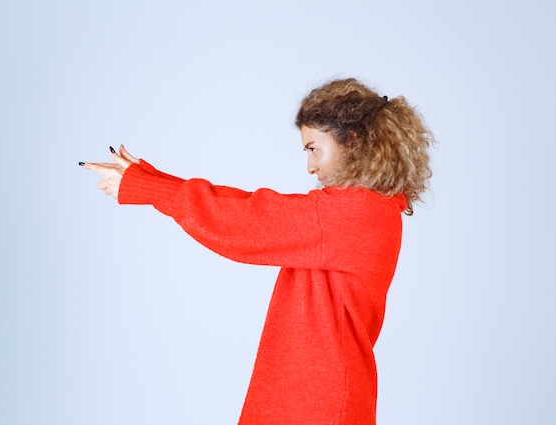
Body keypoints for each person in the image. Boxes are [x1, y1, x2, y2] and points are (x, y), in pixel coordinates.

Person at [80, 77, 433, 424]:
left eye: (314, 149)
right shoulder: (370, 209)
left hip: (318, 402)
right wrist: (150, 181)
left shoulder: (351, 213)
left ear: (352, 140)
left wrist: (147, 188)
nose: (310, 166)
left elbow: (245, 220)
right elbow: (248, 209)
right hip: (313, 392)